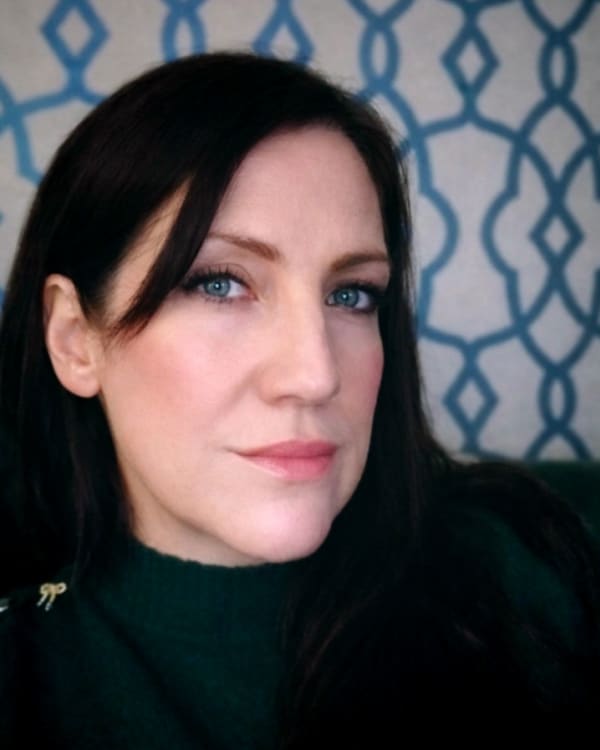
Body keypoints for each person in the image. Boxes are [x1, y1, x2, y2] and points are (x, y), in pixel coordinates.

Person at [0, 52, 598, 748]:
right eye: (220, 283)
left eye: (352, 294)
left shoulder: (524, 578)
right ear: (76, 340)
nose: (316, 376)